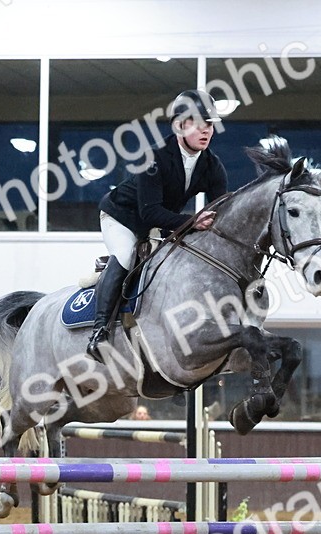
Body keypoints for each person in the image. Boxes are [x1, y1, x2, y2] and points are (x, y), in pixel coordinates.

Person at [86, 89, 229, 362]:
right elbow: (149, 212)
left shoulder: (212, 165)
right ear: (179, 125)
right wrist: (192, 221)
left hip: (162, 222)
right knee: (127, 255)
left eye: (209, 124)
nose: (206, 131)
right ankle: (99, 332)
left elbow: (219, 210)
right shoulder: (153, 157)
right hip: (122, 217)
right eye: (198, 123)